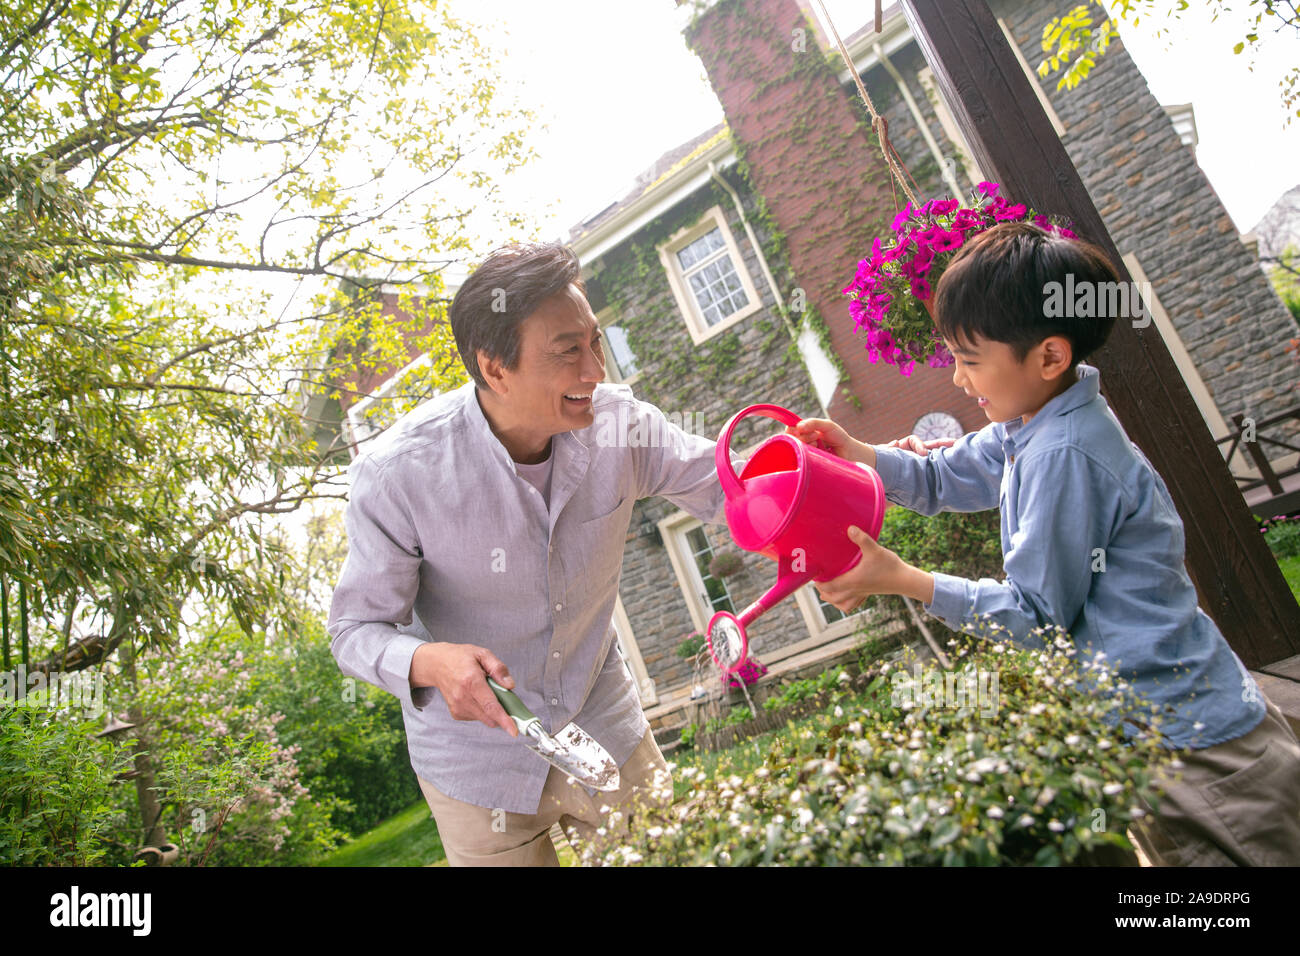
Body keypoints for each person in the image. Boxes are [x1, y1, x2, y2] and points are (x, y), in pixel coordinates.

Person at [787, 220, 1300, 866]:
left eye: (970, 360)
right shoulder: (1033, 423)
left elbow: (1035, 618)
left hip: (1204, 756)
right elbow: (945, 475)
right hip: (1165, 739)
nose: (957, 380)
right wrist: (855, 452)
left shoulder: (1065, 452)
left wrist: (902, 579)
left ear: (1050, 357)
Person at [327, 242, 729, 865]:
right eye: (568, 350)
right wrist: (430, 661)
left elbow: (733, 483)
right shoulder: (399, 474)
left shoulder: (617, 424)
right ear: (495, 368)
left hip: (604, 728)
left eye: (594, 341)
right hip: (475, 766)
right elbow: (354, 630)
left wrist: (874, 468)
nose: (595, 368)